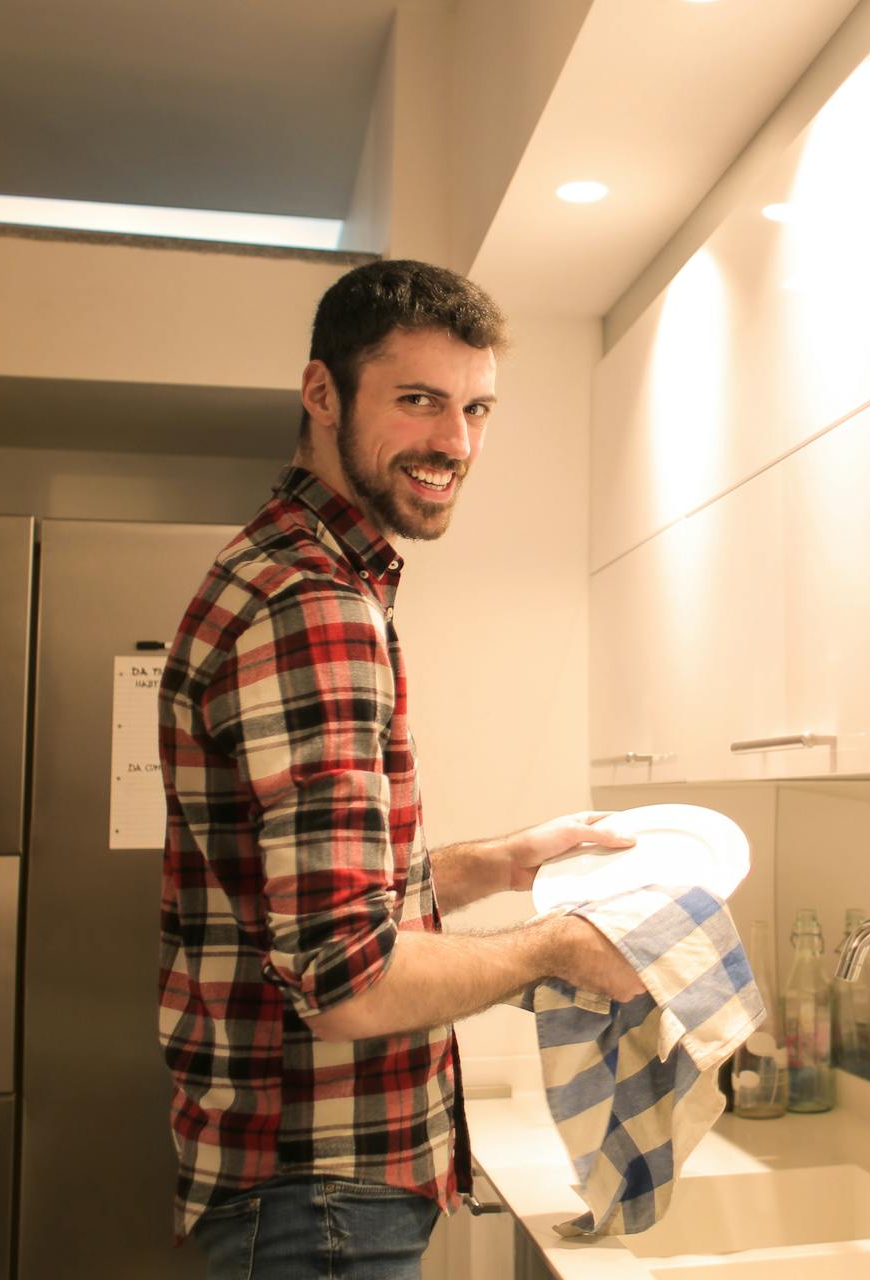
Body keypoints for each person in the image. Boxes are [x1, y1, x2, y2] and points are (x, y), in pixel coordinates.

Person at [157, 259, 646, 1279]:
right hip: (319, 1192)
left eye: (475, 407)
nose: (455, 442)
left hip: (306, 1186)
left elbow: (309, 897)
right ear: (322, 393)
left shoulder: (309, 576)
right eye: (419, 400)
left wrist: (506, 863)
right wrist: (558, 944)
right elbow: (345, 977)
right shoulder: (312, 604)